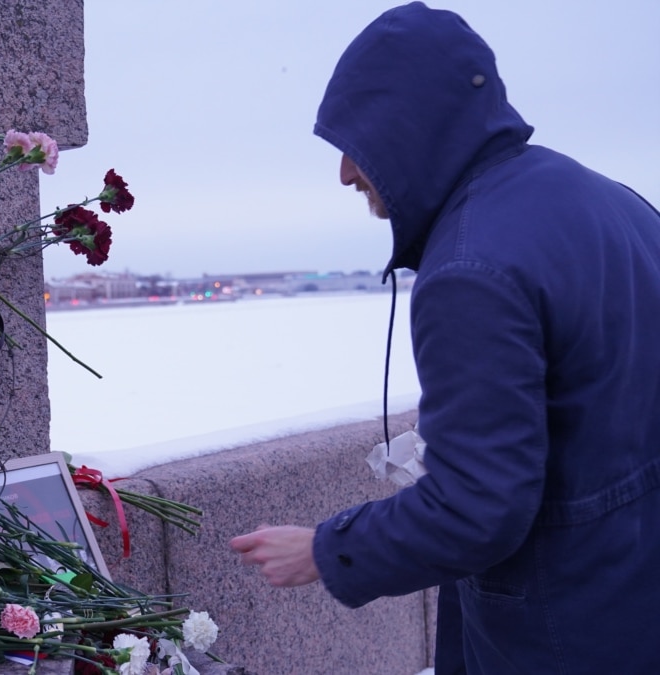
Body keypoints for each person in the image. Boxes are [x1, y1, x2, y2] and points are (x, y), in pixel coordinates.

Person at [229, 3, 660, 673]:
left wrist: (324, 548)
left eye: (357, 140)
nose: (346, 171)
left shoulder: (469, 270)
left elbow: (479, 506)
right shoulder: (616, 203)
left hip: (562, 634)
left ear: (409, 127)